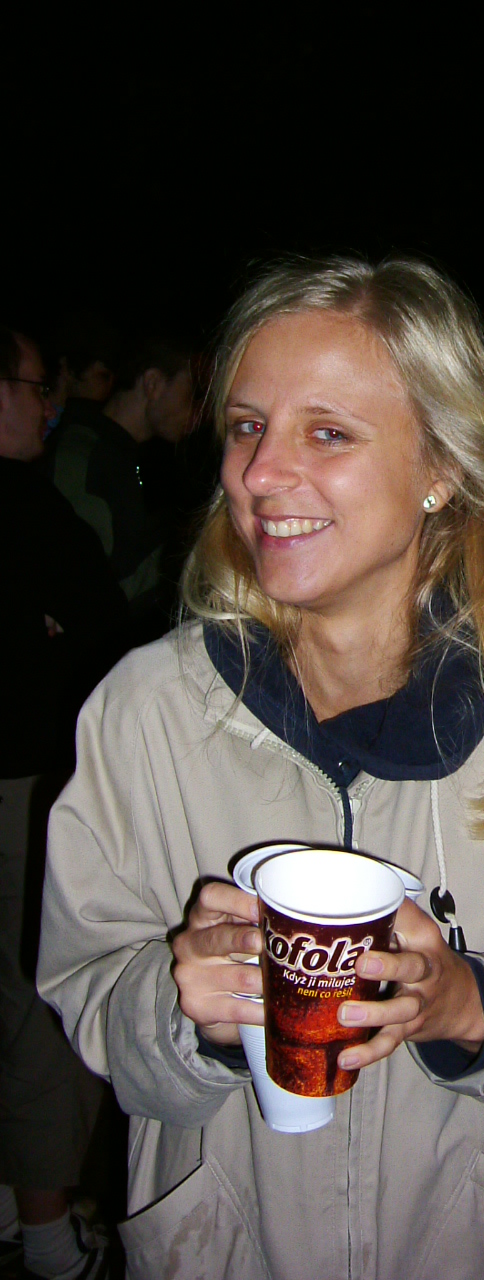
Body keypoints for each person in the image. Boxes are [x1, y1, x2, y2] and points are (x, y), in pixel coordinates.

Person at [37, 258, 484, 1280]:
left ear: (441, 464)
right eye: (246, 425)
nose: (259, 473)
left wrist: (466, 1003)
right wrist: (187, 1010)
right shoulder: (147, 710)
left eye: (327, 432)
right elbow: (85, 982)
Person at [1, 326, 128, 1280]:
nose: (48, 407)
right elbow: (97, 631)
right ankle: (49, 1238)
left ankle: (15, 1205)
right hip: (20, 784)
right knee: (46, 1004)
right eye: (36, 386)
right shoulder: (26, 508)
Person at [46, 334, 195, 634]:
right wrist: (191, 553)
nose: (198, 410)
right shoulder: (83, 456)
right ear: (152, 383)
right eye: (192, 394)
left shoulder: (133, 456)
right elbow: (89, 592)